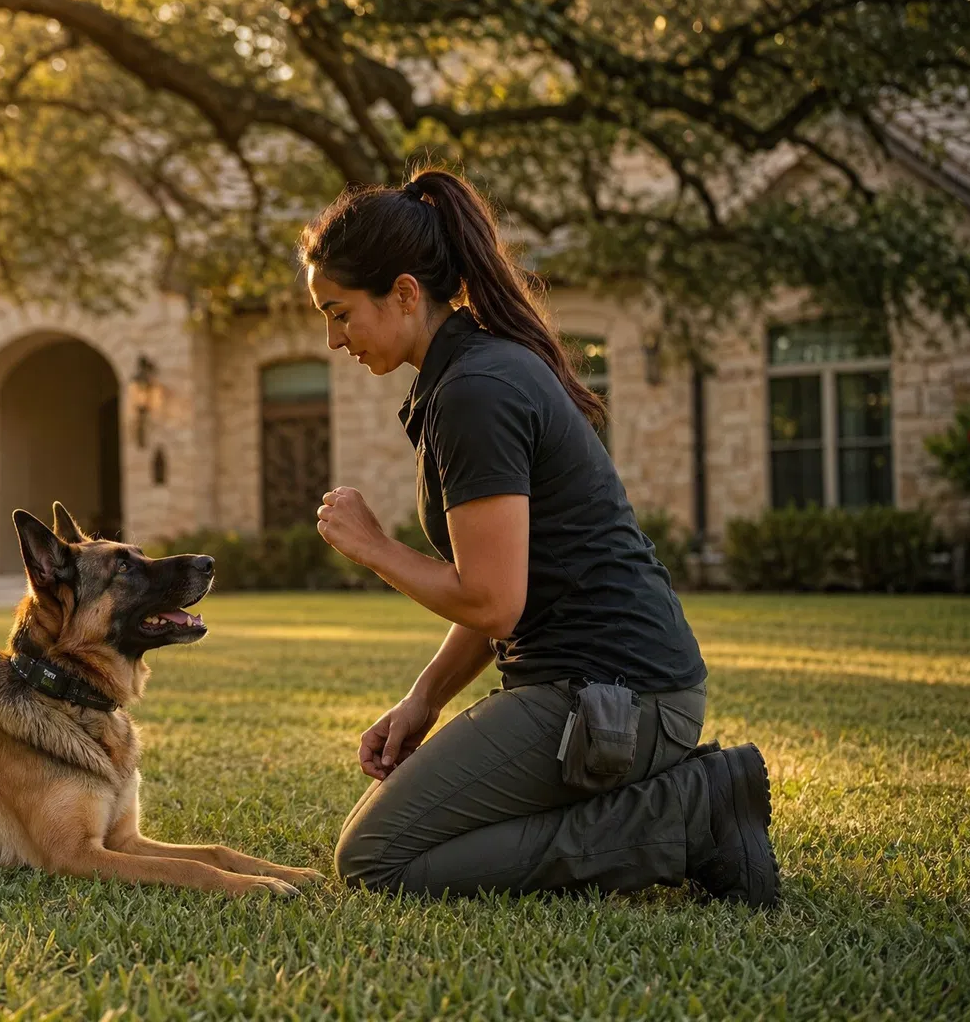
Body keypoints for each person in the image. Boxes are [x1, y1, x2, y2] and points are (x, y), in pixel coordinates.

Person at [303, 169, 780, 907]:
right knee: (399, 845)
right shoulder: (469, 374)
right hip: (617, 691)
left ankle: (692, 816)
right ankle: (675, 806)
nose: (332, 339)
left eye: (338, 313)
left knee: (377, 860)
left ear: (402, 293)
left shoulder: (475, 391)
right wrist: (422, 700)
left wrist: (374, 548)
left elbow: (492, 603)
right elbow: (506, 587)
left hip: (617, 699)